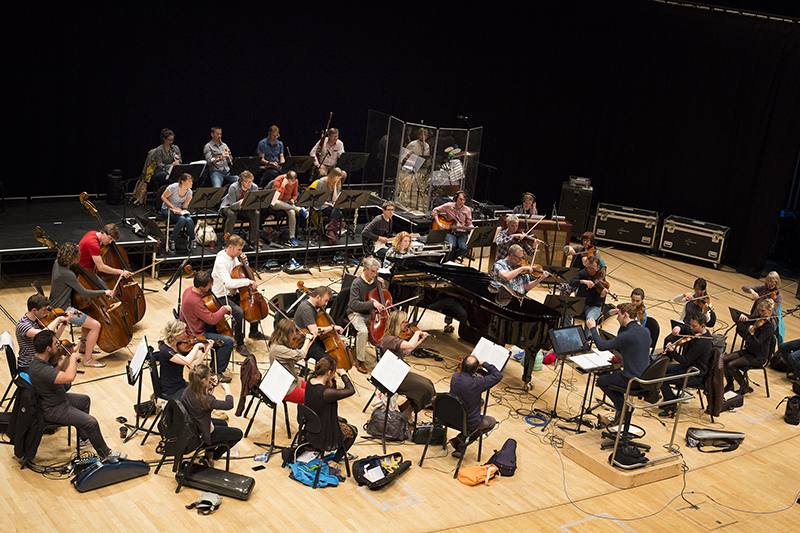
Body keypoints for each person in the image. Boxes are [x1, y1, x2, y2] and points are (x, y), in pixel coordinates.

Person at [28, 330, 126, 459]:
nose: (58, 345)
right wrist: (73, 359)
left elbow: (58, 370)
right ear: (48, 348)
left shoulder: (40, 361)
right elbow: (69, 377)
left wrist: (71, 354)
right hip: (53, 408)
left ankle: (83, 439)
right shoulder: (40, 369)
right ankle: (106, 454)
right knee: (91, 422)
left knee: (84, 400)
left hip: (58, 399)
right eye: (55, 343)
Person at [587, 303, 651, 428]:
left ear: (626, 315)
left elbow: (601, 346)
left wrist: (593, 328)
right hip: (644, 377)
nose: (617, 318)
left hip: (631, 380)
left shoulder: (627, 335)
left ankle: (622, 408)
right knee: (614, 375)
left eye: (619, 315)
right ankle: (621, 412)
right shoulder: (646, 331)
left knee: (601, 380)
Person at [49, 242, 112, 367]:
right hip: (63, 309)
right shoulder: (67, 274)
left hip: (55, 304)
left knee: (89, 317)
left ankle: (83, 346)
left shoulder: (57, 263)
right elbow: (84, 292)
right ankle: (88, 360)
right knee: (95, 325)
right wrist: (105, 291)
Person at [212, 234, 266, 354]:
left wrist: (244, 263)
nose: (241, 252)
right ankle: (240, 344)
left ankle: (254, 331)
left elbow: (239, 272)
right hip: (221, 295)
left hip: (232, 293)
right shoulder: (221, 261)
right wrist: (249, 281)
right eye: (239, 249)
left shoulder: (234, 256)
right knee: (239, 312)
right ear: (230, 247)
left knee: (255, 302)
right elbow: (228, 282)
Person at [180, 270, 236, 383]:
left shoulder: (188, 290)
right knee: (229, 341)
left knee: (217, 329)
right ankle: (217, 372)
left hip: (192, 324)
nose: (210, 287)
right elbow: (212, 318)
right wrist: (224, 308)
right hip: (196, 334)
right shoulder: (196, 301)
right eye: (209, 286)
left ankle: (215, 360)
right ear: (201, 287)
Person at [303, 357, 357, 474]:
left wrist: (332, 377)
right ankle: (334, 462)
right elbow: (351, 390)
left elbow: (330, 387)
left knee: (343, 420)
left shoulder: (310, 380)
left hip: (310, 428)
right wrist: (343, 374)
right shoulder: (326, 393)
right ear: (329, 372)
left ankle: (340, 454)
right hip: (324, 434)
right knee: (352, 431)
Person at [379, 310, 435, 419]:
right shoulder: (389, 339)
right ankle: (407, 411)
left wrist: (421, 339)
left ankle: (406, 407)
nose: (407, 323)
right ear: (398, 323)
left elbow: (406, 350)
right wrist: (417, 333)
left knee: (429, 384)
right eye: (405, 321)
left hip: (398, 373)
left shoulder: (394, 338)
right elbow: (409, 345)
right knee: (425, 388)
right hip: (391, 377)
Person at [181, 365, 241, 465]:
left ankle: (209, 455)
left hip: (193, 423)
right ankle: (213, 456)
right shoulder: (204, 400)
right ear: (203, 380)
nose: (210, 379)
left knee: (223, 424)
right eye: (209, 378)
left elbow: (203, 399)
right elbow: (229, 405)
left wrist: (210, 386)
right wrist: (228, 390)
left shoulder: (189, 389)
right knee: (238, 434)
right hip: (202, 432)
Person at [657, 312, 712, 417]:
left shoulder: (702, 343)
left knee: (661, 379)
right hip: (685, 368)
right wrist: (678, 327)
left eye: (694, 326)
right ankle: (669, 398)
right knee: (660, 368)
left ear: (703, 326)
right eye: (691, 325)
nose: (691, 328)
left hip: (693, 374)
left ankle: (672, 405)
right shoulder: (697, 332)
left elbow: (685, 360)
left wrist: (673, 352)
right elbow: (686, 329)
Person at [448, 355, 502, 457]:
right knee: (491, 422)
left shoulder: (455, 376)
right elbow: (498, 375)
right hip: (467, 423)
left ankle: (458, 441)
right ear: (476, 369)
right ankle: (461, 442)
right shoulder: (477, 383)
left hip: (451, 418)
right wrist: (484, 364)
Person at [723, 298, 775, 394]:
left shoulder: (769, 326)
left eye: (763, 311)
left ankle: (744, 386)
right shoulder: (759, 318)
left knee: (731, 365)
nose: (760, 313)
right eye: (759, 310)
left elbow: (758, 343)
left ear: (769, 311)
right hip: (748, 351)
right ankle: (730, 384)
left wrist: (752, 334)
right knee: (724, 359)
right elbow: (749, 317)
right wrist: (743, 316)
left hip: (758, 356)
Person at [346, 256, 385, 374]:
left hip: (371, 314)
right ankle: (360, 360)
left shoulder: (376, 283)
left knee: (386, 328)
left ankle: (383, 357)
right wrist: (372, 304)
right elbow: (353, 303)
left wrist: (382, 288)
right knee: (363, 331)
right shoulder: (357, 283)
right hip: (356, 312)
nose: (375, 274)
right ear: (365, 269)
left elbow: (379, 299)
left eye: (376, 272)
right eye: (372, 271)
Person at [156, 319, 213, 399]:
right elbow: (187, 361)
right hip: (171, 389)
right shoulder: (166, 351)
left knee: (209, 396)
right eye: (183, 333)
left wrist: (205, 352)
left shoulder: (178, 346)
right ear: (175, 335)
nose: (185, 334)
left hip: (180, 384)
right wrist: (196, 346)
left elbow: (193, 366)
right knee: (202, 400)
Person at [15, 294, 71, 373]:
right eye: (44, 309)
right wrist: (57, 320)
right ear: (34, 310)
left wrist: (64, 324)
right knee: (64, 381)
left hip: (42, 361)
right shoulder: (23, 325)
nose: (46, 312)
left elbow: (53, 338)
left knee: (65, 369)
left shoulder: (38, 321)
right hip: (29, 365)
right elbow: (43, 334)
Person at [268, 318, 319, 404]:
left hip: (292, 381)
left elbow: (302, 352)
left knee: (317, 391)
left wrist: (311, 340)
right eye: (293, 332)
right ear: (286, 334)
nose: (295, 334)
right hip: (285, 388)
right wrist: (307, 340)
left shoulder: (279, 342)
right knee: (314, 398)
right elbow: (301, 355)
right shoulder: (278, 349)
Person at [293, 286, 343, 363]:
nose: (326, 304)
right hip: (303, 342)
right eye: (325, 301)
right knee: (330, 361)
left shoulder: (313, 306)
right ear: (318, 297)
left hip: (312, 339)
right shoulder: (307, 309)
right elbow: (315, 331)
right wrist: (332, 327)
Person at [565, 256, 608, 338]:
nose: (590, 270)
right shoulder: (583, 273)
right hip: (580, 302)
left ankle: (586, 340)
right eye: (588, 267)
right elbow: (571, 282)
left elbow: (599, 303)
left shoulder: (601, 280)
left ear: (598, 267)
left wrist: (602, 296)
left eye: (592, 268)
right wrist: (582, 281)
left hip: (594, 306)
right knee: (567, 312)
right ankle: (567, 334)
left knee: (589, 319)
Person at [220, 170, 262, 250]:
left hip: (244, 208)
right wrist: (240, 202)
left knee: (256, 213)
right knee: (232, 214)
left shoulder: (254, 187)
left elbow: (253, 204)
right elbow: (232, 206)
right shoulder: (233, 187)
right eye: (247, 182)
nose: (249, 184)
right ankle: (226, 240)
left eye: (251, 181)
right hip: (229, 206)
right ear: (241, 181)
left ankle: (253, 241)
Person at [742, 271, 784, 344]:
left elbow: (773, 311)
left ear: (776, 282)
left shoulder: (778, 295)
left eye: (772, 282)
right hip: (755, 316)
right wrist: (752, 292)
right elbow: (744, 287)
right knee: (741, 325)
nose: (769, 284)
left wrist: (767, 304)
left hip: (767, 320)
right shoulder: (763, 288)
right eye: (768, 281)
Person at [432, 191, 474, 262]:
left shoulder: (467, 210)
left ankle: (451, 260)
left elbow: (469, 223)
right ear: (455, 198)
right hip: (450, 232)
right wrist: (438, 223)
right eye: (460, 199)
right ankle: (449, 261)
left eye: (464, 200)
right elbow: (435, 210)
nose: (462, 202)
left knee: (463, 248)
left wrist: (472, 228)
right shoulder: (449, 206)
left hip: (462, 233)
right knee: (452, 246)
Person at [160, 172, 196, 252]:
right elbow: (163, 197)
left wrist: (188, 203)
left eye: (191, 181)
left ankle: (192, 239)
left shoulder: (189, 192)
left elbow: (184, 206)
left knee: (189, 220)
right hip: (168, 208)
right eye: (189, 181)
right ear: (182, 182)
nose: (191, 183)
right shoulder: (173, 187)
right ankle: (171, 240)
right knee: (182, 219)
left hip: (179, 210)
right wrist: (173, 207)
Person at [396, 128, 431, 209]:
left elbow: (427, 157)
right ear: (418, 135)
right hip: (411, 167)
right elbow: (405, 156)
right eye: (421, 135)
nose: (423, 137)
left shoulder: (427, 146)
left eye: (425, 135)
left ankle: (417, 203)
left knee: (420, 185)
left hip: (422, 167)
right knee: (408, 186)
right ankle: (406, 201)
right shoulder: (412, 144)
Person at [269, 170, 305, 247]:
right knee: (276, 202)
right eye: (290, 182)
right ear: (286, 178)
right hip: (276, 203)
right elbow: (277, 198)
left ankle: (292, 237)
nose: (292, 183)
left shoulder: (295, 181)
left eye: (294, 181)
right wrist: (283, 186)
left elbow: (295, 195)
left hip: (287, 203)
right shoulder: (278, 180)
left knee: (292, 213)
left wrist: (292, 199)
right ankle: (298, 209)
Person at [314, 167, 346, 244]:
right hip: (321, 204)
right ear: (332, 175)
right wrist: (328, 203)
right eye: (337, 177)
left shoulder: (338, 183)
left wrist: (335, 187)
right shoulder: (322, 182)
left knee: (336, 207)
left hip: (331, 204)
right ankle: (331, 231)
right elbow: (317, 199)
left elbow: (334, 199)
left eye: (339, 178)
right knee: (336, 209)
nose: (338, 180)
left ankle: (330, 230)